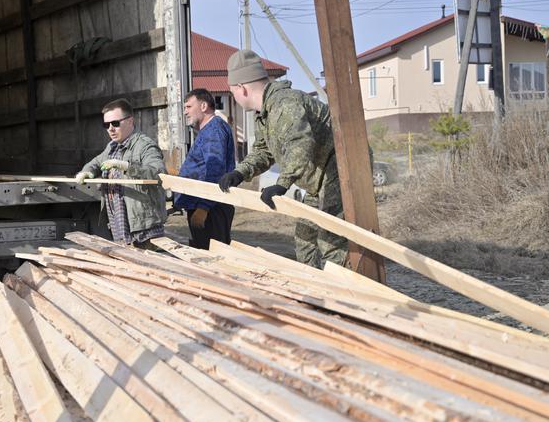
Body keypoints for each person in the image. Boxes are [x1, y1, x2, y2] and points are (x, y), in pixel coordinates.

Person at [218, 49, 348, 268]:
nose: (235, 98)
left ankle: (349, 292)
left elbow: (301, 144)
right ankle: (316, 290)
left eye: (232, 93)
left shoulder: (284, 103)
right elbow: (264, 151)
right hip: (318, 180)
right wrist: (240, 173)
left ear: (241, 88)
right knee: (305, 240)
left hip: (339, 172)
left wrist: (282, 184)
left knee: (330, 241)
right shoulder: (265, 114)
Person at [74, 98, 167, 248]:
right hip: (121, 226)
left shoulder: (145, 146)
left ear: (130, 121)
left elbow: (158, 174)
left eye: (115, 123)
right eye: (106, 125)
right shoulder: (112, 147)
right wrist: (87, 171)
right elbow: (95, 163)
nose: (110, 129)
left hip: (143, 228)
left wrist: (126, 167)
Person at [174, 88, 236, 249]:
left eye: (188, 107)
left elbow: (215, 171)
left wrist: (203, 208)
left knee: (213, 258)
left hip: (211, 209)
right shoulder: (208, 130)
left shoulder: (213, 130)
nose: (185, 112)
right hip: (205, 206)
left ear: (203, 106)